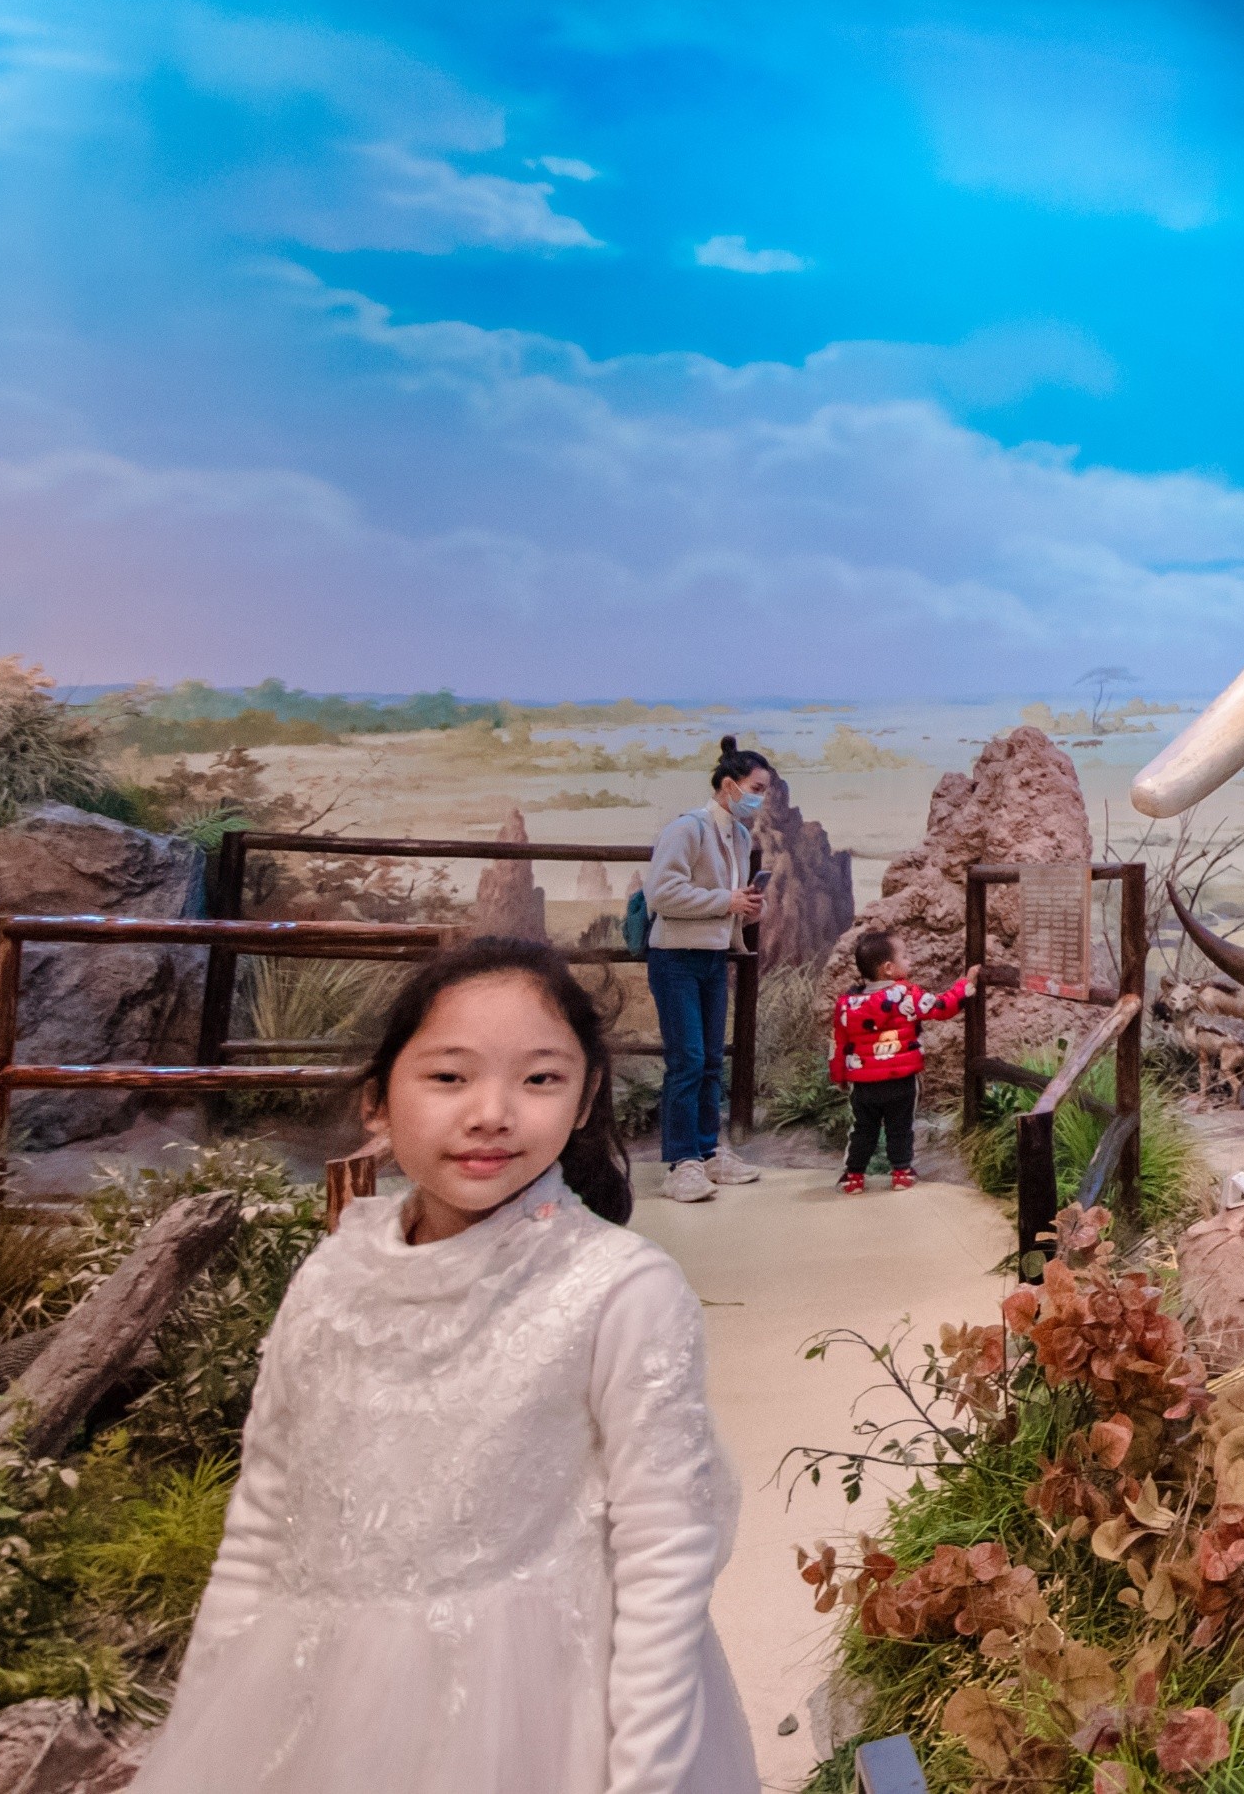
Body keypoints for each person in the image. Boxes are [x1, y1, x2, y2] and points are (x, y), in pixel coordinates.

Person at [134, 937, 750, 1794]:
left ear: (585, 1098)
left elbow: (665, 1553)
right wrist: (207, 1709)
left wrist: (646, 1777)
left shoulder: (620, 1290)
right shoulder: (333, 1277)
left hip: (538, 1721)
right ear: (377, 1101)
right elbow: (264, 1518)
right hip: (319, 1706)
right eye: (449, 1076)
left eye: (540, 1077)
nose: (492, 1112)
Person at [640, 739, 772, 1202]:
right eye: (756, 789)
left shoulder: (739, 837)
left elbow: (723, 902)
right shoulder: (687, 829)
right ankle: (682, 1162)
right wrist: (725, 901)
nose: (759, 799)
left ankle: (708, 1151)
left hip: (713, 958)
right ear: (729, 785)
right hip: (675, 958)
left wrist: (746, 909)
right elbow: (661, 893)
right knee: (688, 1061)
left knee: (711, 1061)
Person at [828, 927, 976, 1193]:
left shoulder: (847, 1005)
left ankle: (854, 1177)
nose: (910, 961)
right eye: (905, 956)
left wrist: (839, 1076)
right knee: (900, 1127)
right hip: (900, 1082)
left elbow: (838, 1045)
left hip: (863, 1085)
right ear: (888, 968)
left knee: (863, 1129)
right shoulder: (907, 995)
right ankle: (901, 1173)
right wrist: (965, 986)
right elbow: (942, 1007)